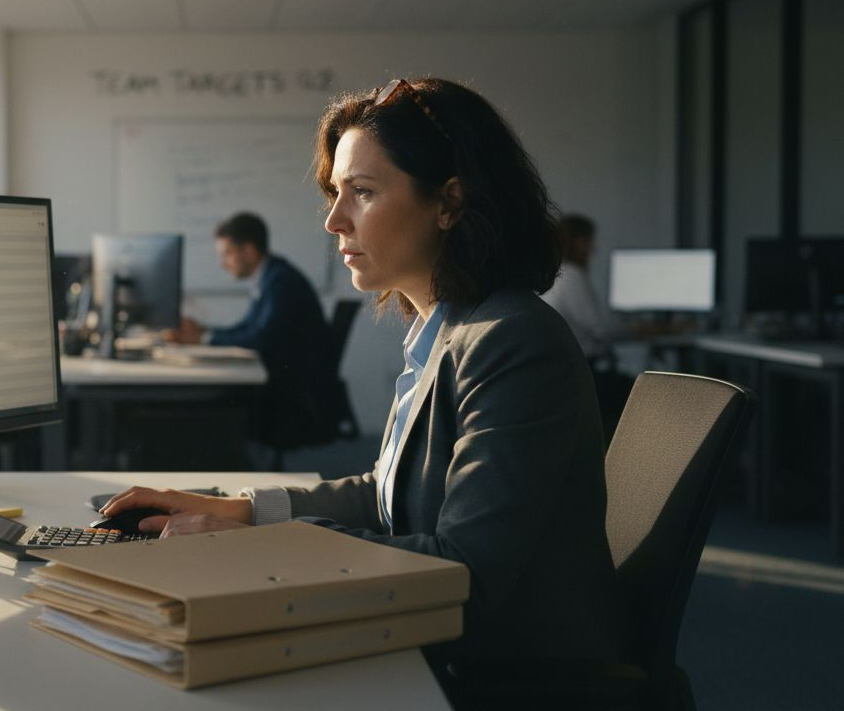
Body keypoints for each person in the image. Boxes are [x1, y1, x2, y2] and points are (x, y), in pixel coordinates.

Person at [102, 78, 633, 701]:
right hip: (429, 647)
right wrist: (237, 509)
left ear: (449, 203)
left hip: (498, 679)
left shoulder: (513, 340)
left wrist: (255, 542)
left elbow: (467, 571)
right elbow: (386, 497)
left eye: (363, 192)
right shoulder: (443, 331)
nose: (334, 219)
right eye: (336, 192)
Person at [170, 212, 339, 450]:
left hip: (292, 391)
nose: (223, 264)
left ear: (249, 251)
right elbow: (249, 327)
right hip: (286, 379)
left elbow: (260, 338)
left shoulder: (280, 282)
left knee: (211, 404)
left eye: (227, 253)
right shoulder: (270, 275)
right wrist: (203, 332)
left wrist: (203, 338)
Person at [542, 214, 634, 443]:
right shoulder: (571, 276)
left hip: (561, 376)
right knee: (645, 397)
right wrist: (652, 329)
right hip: (582, 377)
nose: (594, 250)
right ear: (580, 242)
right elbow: (604, 328)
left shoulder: (556, 275)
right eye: (591, 242)